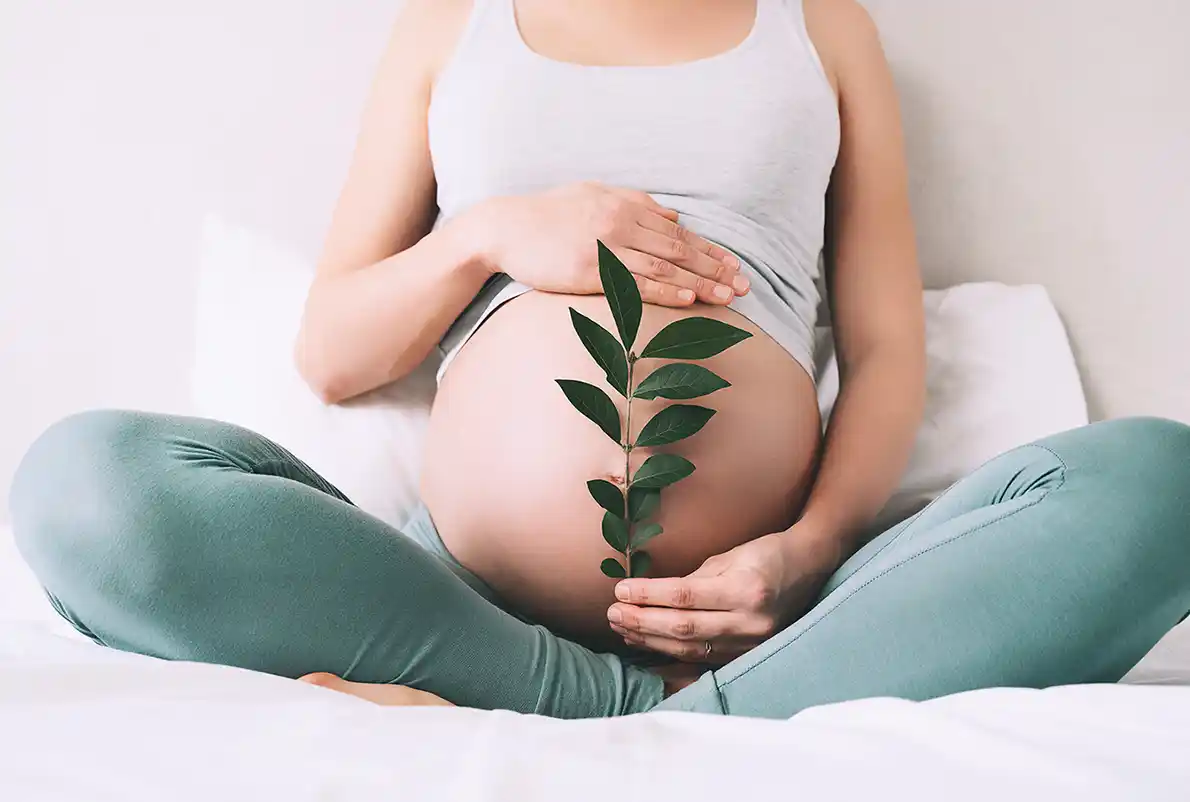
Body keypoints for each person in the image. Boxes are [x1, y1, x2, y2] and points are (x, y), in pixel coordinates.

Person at [10, 0, 1190, 718]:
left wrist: (805, 550)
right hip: (454, 603)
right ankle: (670, 716)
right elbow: (330, 352)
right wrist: (488, 235)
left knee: (1161, 485)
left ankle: (636, 702)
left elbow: (882, 351)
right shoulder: (449, 26)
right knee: (82, 483)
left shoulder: (820, 27)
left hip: (778, 612)